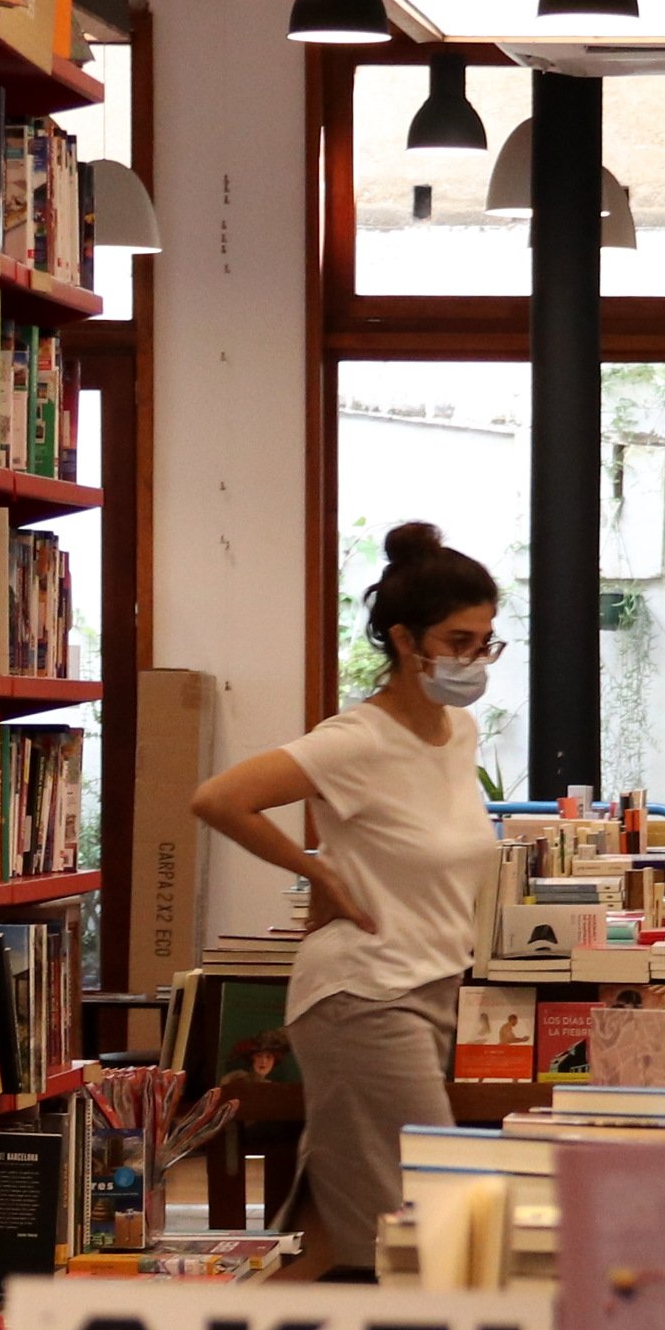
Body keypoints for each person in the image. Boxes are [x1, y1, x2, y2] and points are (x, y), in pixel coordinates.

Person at [188, 523, 507, 1275]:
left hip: (430, 983)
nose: (475, 660)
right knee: (431, 1217)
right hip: (363, 992)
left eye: (486, 642)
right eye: (459, 641)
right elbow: (219, 798)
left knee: (365, 1219)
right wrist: (319, 872)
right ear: (405, 639)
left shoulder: (457, 731)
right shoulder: (356, 740)